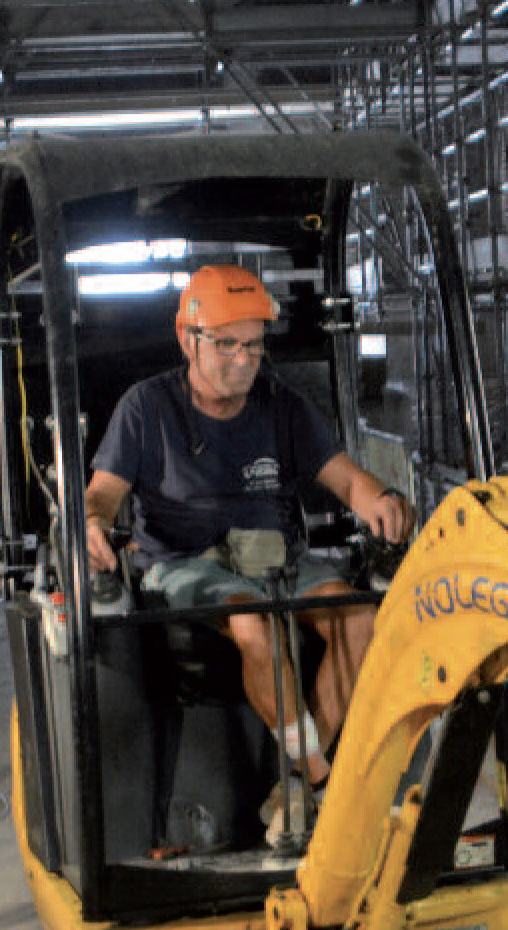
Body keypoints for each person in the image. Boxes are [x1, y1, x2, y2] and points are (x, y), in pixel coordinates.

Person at [82, 265, 415, 797]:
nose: (243, 361)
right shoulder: (145, 408)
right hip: (186, 564)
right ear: (186, 339)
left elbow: (349, 482)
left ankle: (299, 784)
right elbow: (102, 493)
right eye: (227, 345)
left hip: (274, 558)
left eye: (254, 346)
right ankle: (322, 786)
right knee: (255, 622)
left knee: (361, 617)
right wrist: (93, 521)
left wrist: (381, 499)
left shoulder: (282, 407)